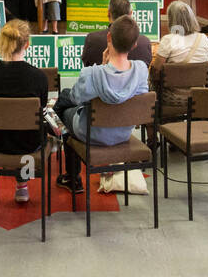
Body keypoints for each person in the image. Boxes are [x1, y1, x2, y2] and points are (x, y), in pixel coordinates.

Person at [53, 15, 149, 194]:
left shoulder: (91, 74)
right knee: (68, 102)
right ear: (134, 44)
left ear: (109, 38)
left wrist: (102, 66)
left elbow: (75, 98)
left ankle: (72, 176)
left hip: (91, 133)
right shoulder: (141, 71)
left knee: (62, 103)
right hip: (123, 133)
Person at [0, 19, 49, 204]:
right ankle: (23, 183)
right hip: (29, 143)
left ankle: (22, 184)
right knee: (34, 130)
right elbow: (40, 112)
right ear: (27, 44)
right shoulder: (39, 78)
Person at [150, 0, 208, 113]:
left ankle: (153, 125)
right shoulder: (204, 38)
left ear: (171, 20)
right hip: (198, 95)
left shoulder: (168, 40)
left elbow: (156, 71)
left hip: (171, 97)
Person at [81, 0, 153, 68]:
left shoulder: (92, 39)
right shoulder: (144, 42)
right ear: (130, 14)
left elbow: (87, 64)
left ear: (108, 14)